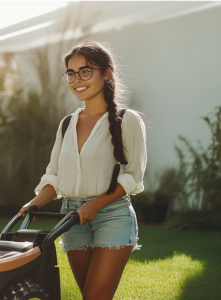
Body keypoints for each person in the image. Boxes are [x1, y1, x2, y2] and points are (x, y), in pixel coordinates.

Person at [17, 40, 147, 300]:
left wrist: (96, 205)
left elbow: (132, 176)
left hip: (112, 216)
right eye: (71, 73)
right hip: (71, 218)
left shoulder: (127, 120)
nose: (77, 79)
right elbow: (54, 175)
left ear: (106, 73)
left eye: (85, 71)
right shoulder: (67, 124)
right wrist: (35, 202)